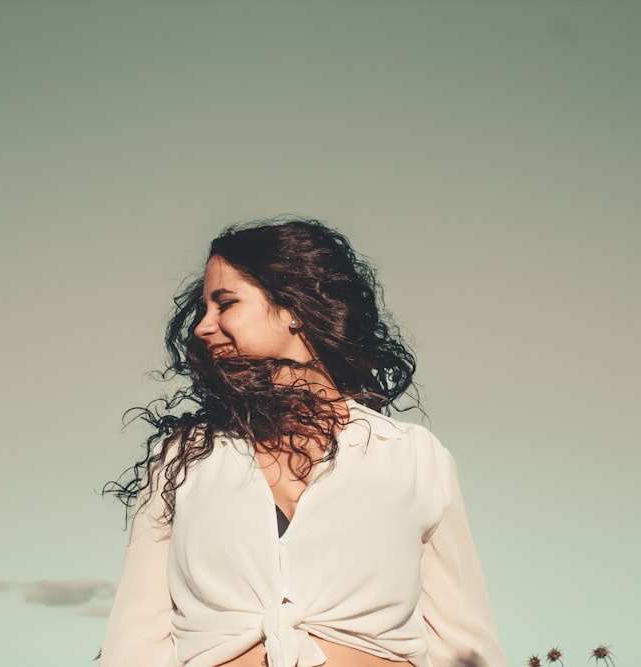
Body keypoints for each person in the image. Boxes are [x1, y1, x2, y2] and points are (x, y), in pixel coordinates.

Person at [101, 219, 506, 667]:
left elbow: (465, 643)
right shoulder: (183, 459)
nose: (202, 327)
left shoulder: (413, 456)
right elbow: (135, 640)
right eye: (203, 309)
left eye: (225, 304)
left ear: (293, 307)